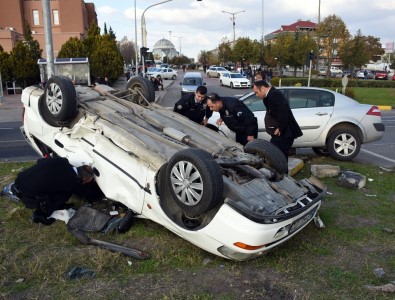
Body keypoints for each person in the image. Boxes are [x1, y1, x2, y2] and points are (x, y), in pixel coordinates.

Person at [7, 157, 97, 225]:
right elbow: (89, 196)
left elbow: (40, 161)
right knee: (65, 194)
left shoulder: (62, 161)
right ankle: (40, 214)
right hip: (27, 196)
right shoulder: (71, 182)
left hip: (20, 180)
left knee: (51, 185)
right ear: (84, 179)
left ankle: (56, 205)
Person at [252, 80, 302, 160]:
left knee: (279, 155)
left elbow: (283, 112)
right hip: (280, 132)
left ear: (262, 88)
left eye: (257, 92)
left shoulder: (274, 95)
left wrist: (280, 128)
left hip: (285, 132)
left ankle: (282, 172)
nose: (256, 95)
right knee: (277, 154)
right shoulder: (268, 96)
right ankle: (281, 171)